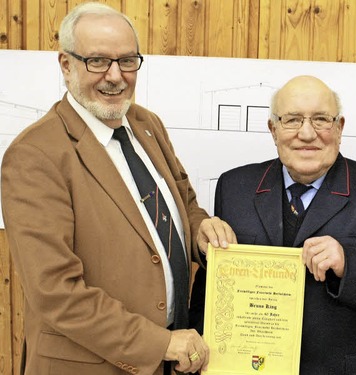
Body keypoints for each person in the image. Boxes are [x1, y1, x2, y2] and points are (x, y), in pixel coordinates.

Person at [1, 3, 236, 374]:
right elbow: (56, 293)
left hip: (172, 360)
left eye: (127, 61)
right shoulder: (35, 155)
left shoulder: (146, 124)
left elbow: (183, 202)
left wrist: (200, 230)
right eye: (97, 61)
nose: (116, 76)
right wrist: (159, 343)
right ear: (66, 65)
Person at [189, 75, 356, 374]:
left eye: (320, 120)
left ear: (339, 128)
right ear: (273, 130)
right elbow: (211, 285)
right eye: (291, 120)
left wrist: (348, 263)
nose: (306, 133)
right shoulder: (235, 187)